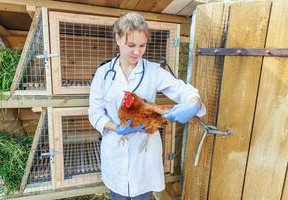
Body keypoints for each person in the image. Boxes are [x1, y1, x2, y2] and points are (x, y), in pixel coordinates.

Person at [88, 12, 206, 200]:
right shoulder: (103, 73)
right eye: (131, 45)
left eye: (142, 46)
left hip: (144, 154)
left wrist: (193, 104)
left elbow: (183, 90)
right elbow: (94, 113)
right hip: (115, 154)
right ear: (117, 39)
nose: (137, 52)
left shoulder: (153, 71)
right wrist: (116, 128)